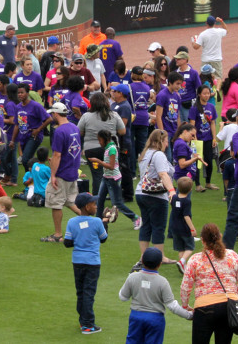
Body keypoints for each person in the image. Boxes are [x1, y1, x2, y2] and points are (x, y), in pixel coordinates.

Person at [180, 223, 238, 343]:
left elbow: (186, 287)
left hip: (204, 308)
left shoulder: (195, 259)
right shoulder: (232, 255)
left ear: (202, 240)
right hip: (228, 306)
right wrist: (235, 296)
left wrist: (185, 306)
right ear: (220, 236)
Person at [119, 247, 192, 344]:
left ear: (142, 261)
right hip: (155, 319)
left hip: (136, 317)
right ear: (159, 264)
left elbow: (123, 297)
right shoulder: (162, 282)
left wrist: (131, 278)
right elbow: (172, 306)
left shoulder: (132, 277)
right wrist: (189, 315)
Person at [63, 193, 113, 335]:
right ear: (87, 206)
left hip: (77, 262)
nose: (96, 206)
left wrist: (80, 238)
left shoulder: (71, 222)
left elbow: (67, 243)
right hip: (92, 263)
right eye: (94, 204)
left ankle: (82, 320)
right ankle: (88, 325)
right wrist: (105, 223)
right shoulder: (97, 222)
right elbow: (103, 239)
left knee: (81, 292)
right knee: (89, 293)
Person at [134, 129, 177, 271]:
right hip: (156, 195)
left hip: (141, 192)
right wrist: (172, 191)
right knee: (158, 226)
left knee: (146, 225)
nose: (167, 145)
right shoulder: (159, 155)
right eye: (166, 142)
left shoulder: (144, 154)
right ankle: (161, 256)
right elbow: (163, 174)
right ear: (161, 141)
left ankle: (143, 256)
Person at [44, 102, 83, 242]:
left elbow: (57, 155)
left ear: (55, 113)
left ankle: (58, 234)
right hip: (73, 171)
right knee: (70, 201)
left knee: (56, 203)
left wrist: (53, 174)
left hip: (62, 172)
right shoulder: (74, 127)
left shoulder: (59, 131)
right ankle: (90, 221)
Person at [169, 177, 197, 272]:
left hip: (174, 227)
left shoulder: (174, 198)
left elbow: (171, 203)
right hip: (184, 228)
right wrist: (192, 229)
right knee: (190, 247)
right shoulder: (187, 201)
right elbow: (186, 216)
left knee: (180, 248)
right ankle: (182, 261)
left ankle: (182, 266)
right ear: (190, 190)